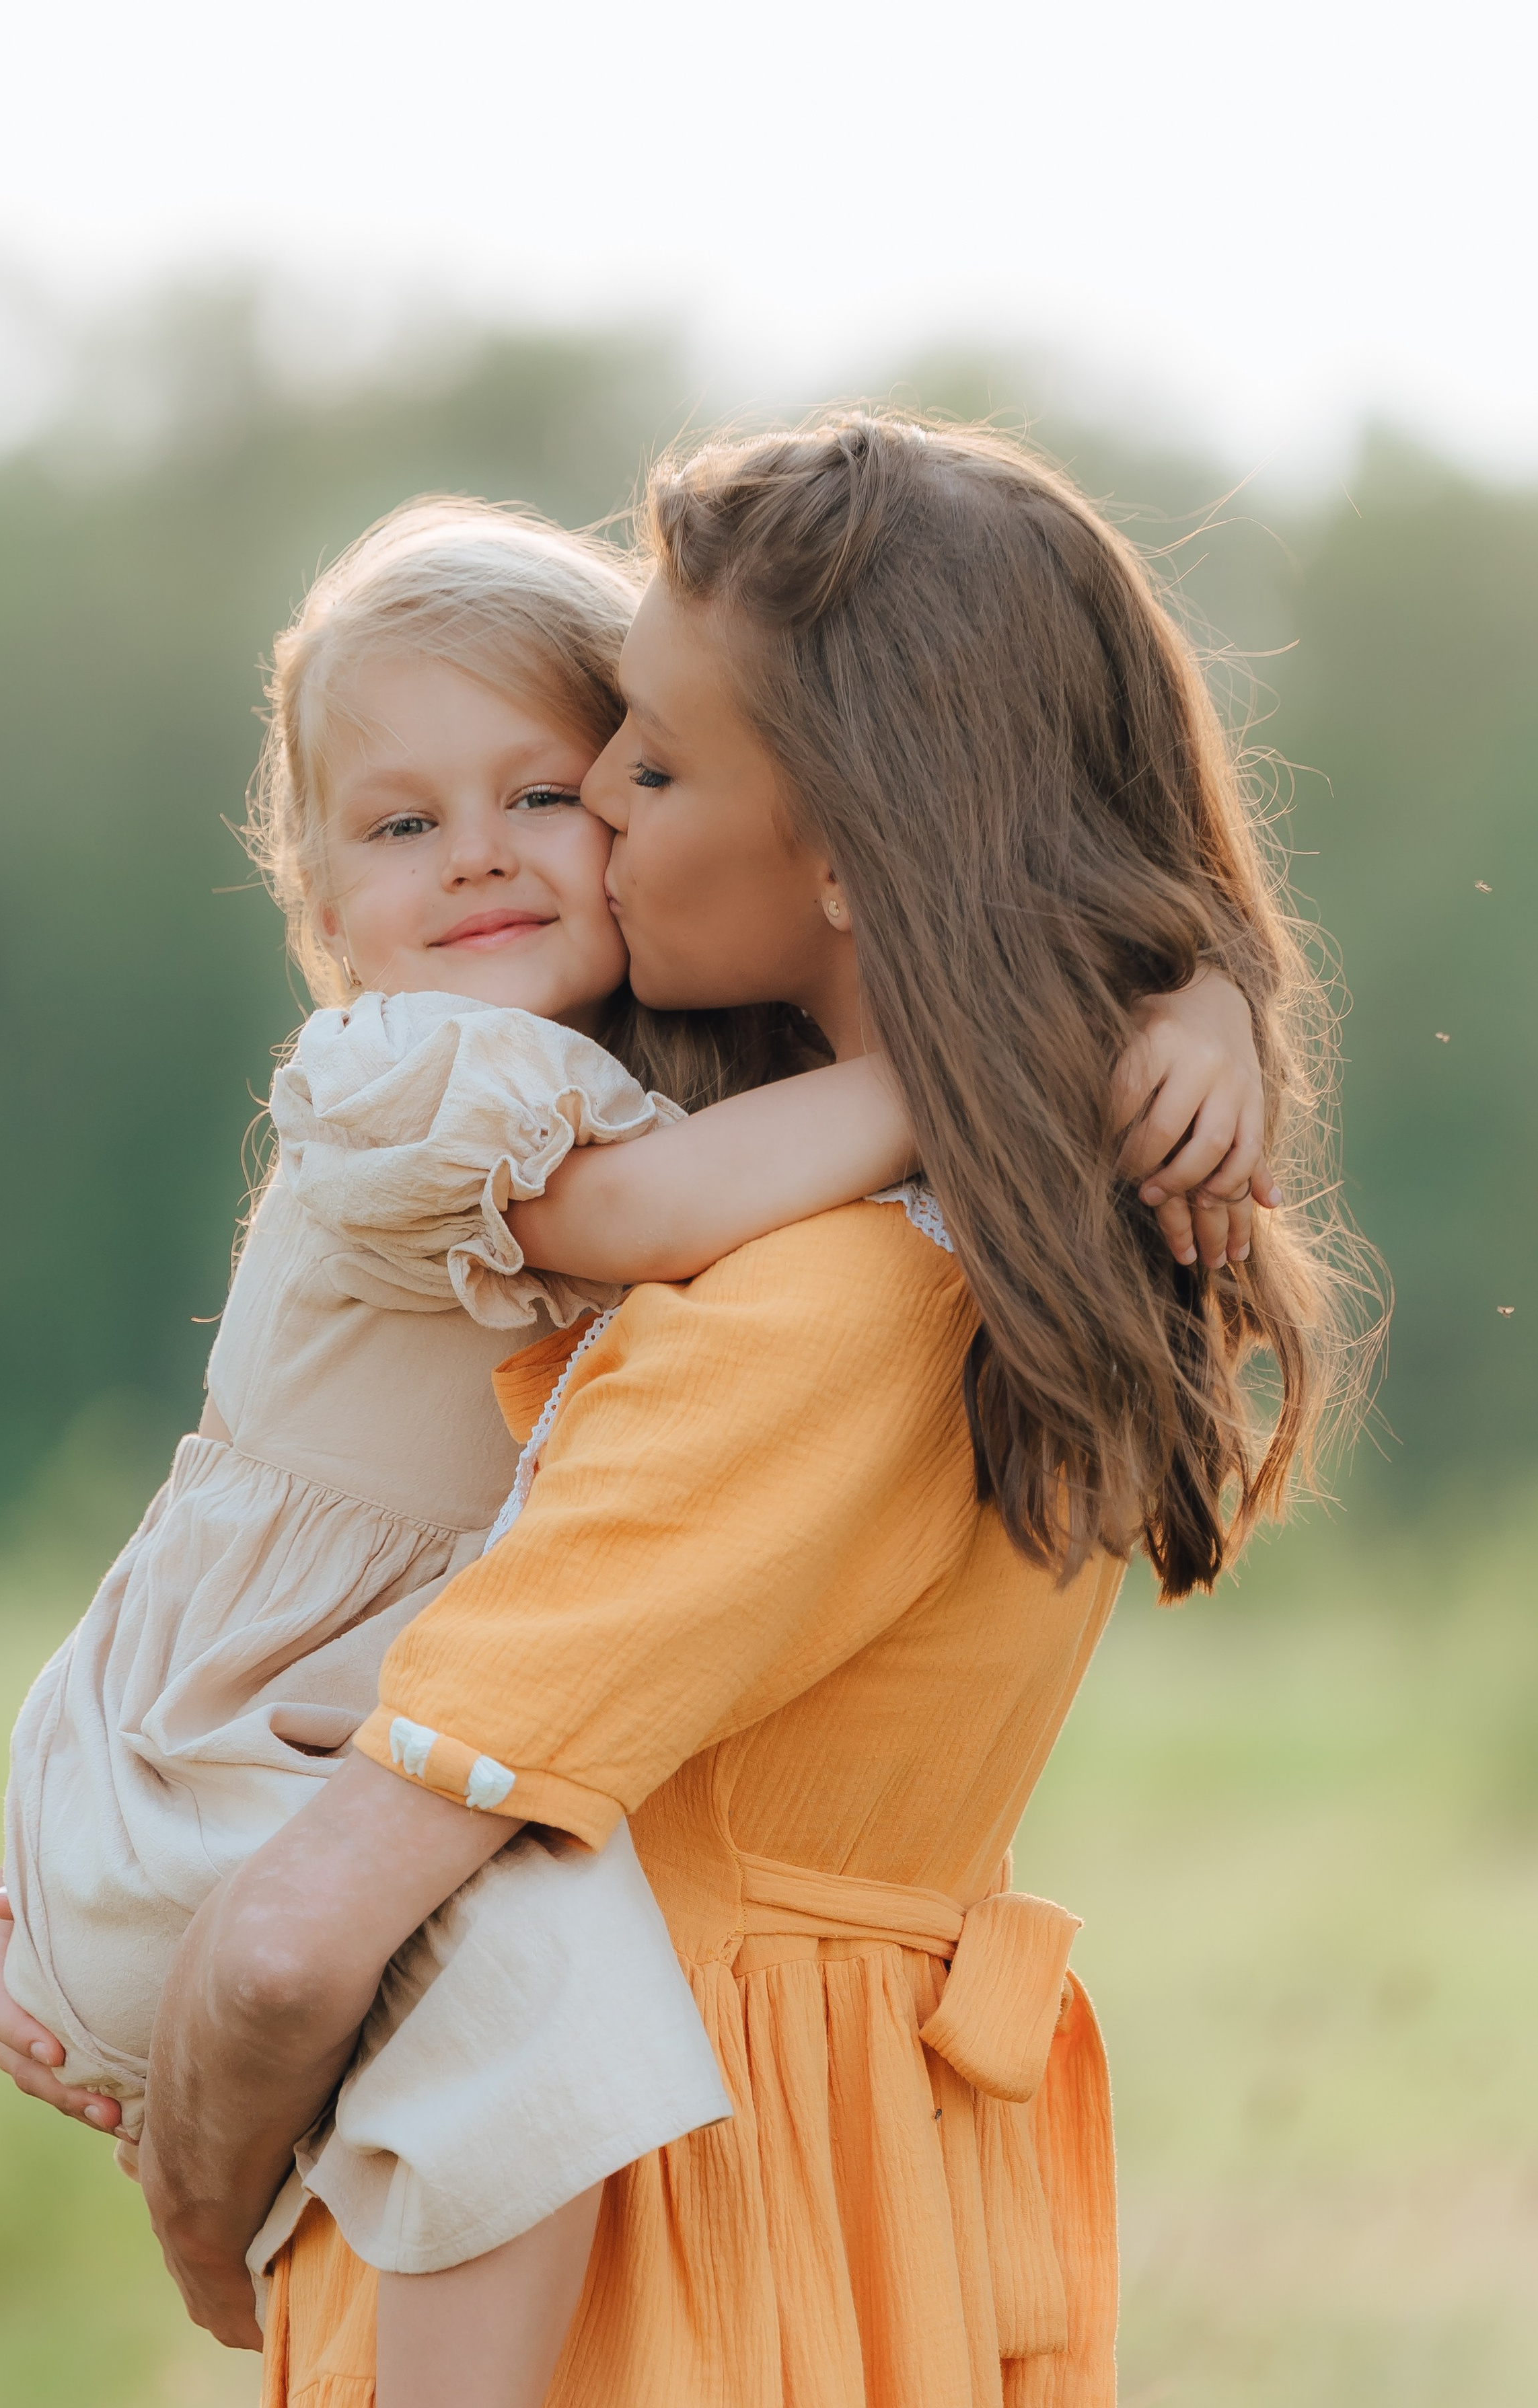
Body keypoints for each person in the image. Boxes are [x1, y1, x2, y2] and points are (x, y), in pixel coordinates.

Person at [115, 415, 1358, 2408]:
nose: (587, 802)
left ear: (853, 847)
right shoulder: (1036, 1218)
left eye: (649, 761)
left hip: (659, 2234)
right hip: (859, 2199)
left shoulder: (819, 1303)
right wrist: (1180, 992)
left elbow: (292, 1944)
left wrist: (199, 2204)